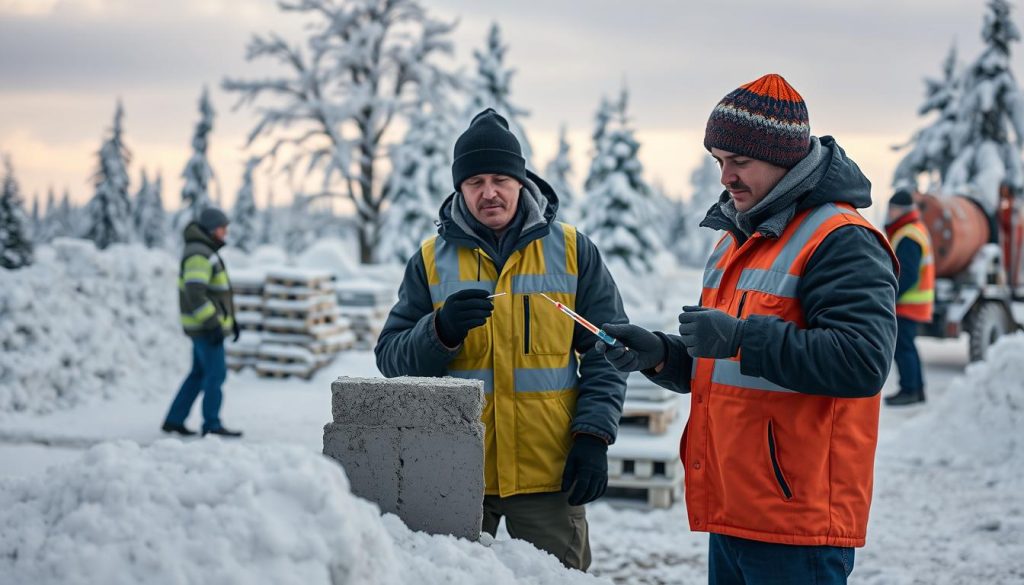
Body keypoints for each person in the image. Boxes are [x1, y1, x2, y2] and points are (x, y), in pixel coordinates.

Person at [595, 74, 898, 584]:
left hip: (796, 523)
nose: (725, 178)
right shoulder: (738, 239)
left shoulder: (841, 239)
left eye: (739, 162)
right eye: (718, 161)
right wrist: (661, 356)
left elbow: (862, 362)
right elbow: (727, 366)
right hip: (736, 509)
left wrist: (739, 337)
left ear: (785, 159)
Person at [375, 108, 628, 571]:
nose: (488, 192)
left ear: (520, 180)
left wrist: (594, 435)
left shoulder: (574, 251)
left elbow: (607, 350)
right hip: (455, 473)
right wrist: (440, 330)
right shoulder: (429, 261)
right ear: (459, 188)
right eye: (475, 182)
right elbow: (390, 360)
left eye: (499, 179)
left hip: (549, 474)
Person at [162, 206, 243, 438]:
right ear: (211, 230)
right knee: (215, 375)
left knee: (198, 374)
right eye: (222, 228)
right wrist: (213, 324)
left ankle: (174, 420)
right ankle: (212, 425)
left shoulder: (202, 250)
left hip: (203, 327)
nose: (225, 233)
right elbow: (195, 293)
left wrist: (230, 321)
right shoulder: (199, 254)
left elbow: (215, 293)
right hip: (205, 328)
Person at [883, 188, 935, 406]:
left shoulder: (908, 234)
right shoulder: (914, 229)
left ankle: (909, 390)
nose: (890, 213)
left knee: (902, 347)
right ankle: (917, 389)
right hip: (914, 302)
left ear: (900, 210)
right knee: (907, 346)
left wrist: (890, 295)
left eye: (892, 209)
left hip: (908, 303)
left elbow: (908, 274)